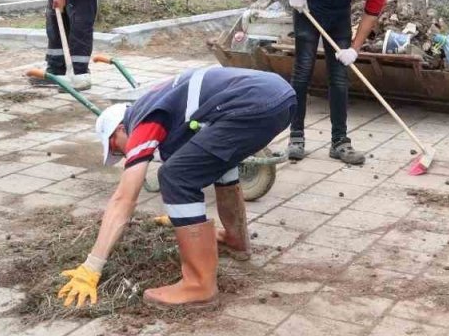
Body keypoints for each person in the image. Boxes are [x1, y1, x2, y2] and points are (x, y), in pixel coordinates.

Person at [58, 66, 296, 309]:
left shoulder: (142, 119)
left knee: (174, 177)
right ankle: (236, 241)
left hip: (253, 102)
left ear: (120, 129)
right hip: (278, 96)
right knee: (216, 160)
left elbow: (124, 200)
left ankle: (199, 285)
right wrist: (179, 217)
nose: (124, 154)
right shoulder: (161, 106)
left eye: (117, 148)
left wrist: (92, 266)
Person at [285, 0, 414, 165]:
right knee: (303, 70)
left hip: (339, 14)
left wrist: (354, 49)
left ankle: (340, 142)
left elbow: (371, 12)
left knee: (340, 76)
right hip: (308, 8)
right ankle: (296, 138)